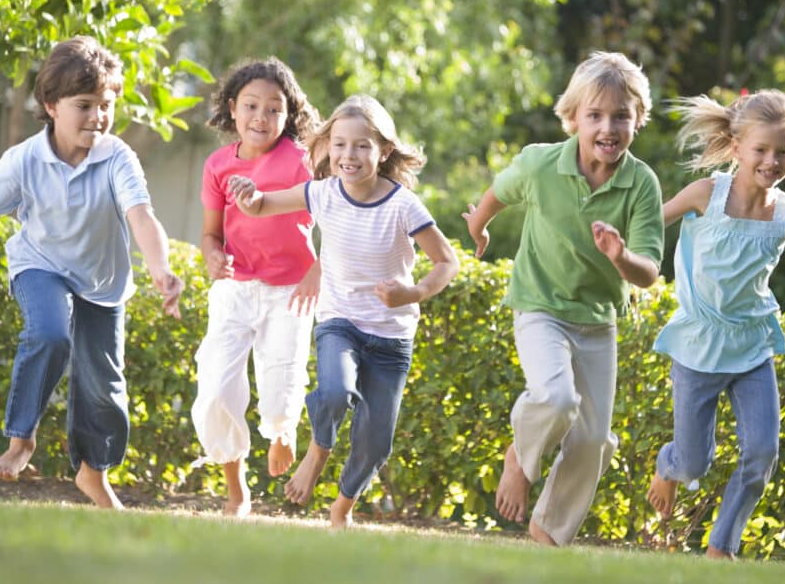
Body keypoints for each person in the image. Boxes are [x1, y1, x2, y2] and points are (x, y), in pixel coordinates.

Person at [0, 36, 183, 509]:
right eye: (85, 105)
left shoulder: (117, 157)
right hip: (40, 267)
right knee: (51, 333)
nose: (98, 116)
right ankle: (21, 442)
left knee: (105, 388)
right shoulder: (22, 161)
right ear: (51, 104)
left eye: (107, 105)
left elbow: (142, 216)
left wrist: (161, 270)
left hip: (102, 284)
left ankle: (92, 474)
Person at [226, 94, 460, 528]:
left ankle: (342, 509)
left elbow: (447, 261)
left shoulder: (403, 205)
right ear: (327, 147)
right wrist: (247, 195)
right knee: (334, 391)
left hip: (391, 337)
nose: (347, 155)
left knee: (376, 442)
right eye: (338, 144)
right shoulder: (323, 193)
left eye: (361, 146)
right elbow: (262, 204)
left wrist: (411, 294)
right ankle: (318, 449)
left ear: (384, 151)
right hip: (341, 322)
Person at [463, 51, 664, 546]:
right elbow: (498, 192)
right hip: (540, 308)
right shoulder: (540, 163)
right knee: (555, 398)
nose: (608, 127)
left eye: (621, 115)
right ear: (572, 118)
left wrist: (620, 257)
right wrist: (477, 225)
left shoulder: (642, 185)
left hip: (597, 321)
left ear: (638, 119)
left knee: (595, 440)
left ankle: (548, 534)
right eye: (595, 115)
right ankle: (520, 459)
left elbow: (649, 272)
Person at [646, 89, 785, 559]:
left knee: (762, 452)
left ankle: (722, 545)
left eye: (784, 151)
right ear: (737, 146)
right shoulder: (706, 194)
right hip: (699, 344)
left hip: (752, 347)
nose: (773, 160)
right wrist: (619, 250)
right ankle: (669, 463)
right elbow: (651, 223)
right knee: (695, 460)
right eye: (762, 149)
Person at [189, 58, 321, 518]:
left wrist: (317, 271)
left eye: (273, 109)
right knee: (217, 388)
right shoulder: (218, 165)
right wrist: (211, 255)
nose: (261, 118)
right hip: (236, 287)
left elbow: (340, 219)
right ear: (233, 108)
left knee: (281, 380)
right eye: (251, 106)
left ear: (289, 115)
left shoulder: (303, 161)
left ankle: (283, 432)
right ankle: (236, 490)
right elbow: (211, 234)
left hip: (291, 291)